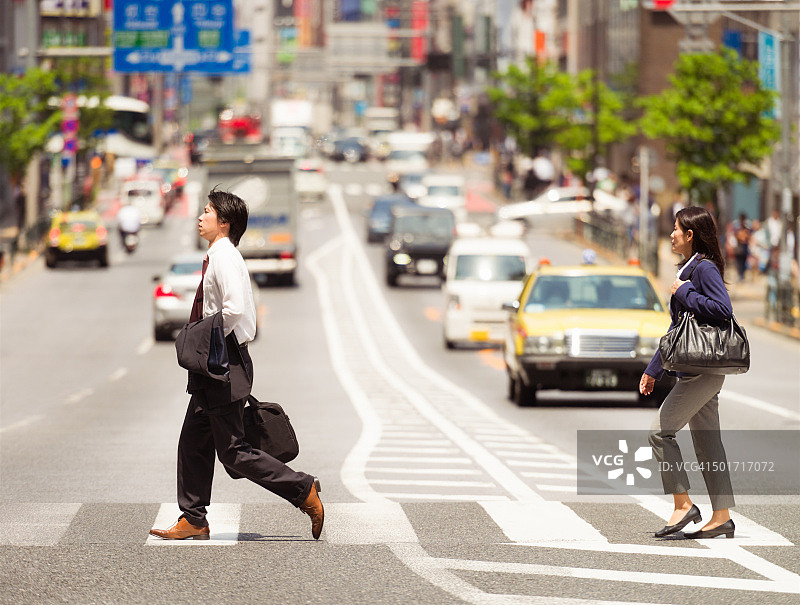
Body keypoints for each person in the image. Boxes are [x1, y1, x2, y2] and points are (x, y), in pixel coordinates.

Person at [150, 187, 324, 541]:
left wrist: (202, 339)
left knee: (233, 452)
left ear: (224, 223)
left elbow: (235, 311)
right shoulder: (218, 255)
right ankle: (194, 518)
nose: (201, 217)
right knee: (194, 442)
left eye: (208, 212)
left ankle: (302, 489)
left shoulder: (225, 258)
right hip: (216, 364)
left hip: (223, 363)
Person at [639, 206, 736, 540]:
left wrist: (685, 292)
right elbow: (677, 329)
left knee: (659, 433)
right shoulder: (691, 267)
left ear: (690, 234)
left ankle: (683, 504)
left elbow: (724, 310)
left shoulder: (704, 268)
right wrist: (654, 370)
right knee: (708, 444)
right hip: (696, 369)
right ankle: (721, 516)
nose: (671, 233)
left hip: (703, 373)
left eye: (676, 228)